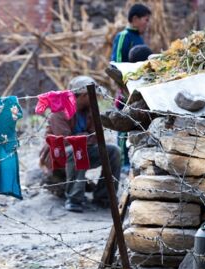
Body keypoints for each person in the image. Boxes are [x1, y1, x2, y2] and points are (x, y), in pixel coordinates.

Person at [39, 76, 121, 213]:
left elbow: (97, 137)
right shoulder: (59, 112)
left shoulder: (90, 110)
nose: (97, 98)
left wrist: (81, 138)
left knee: (114, 151)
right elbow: (63, 141)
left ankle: (104, 197)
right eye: (93, 95)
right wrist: (84, 137)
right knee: (77, 149)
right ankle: (74, 199)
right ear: (84, 95)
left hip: (83, 150)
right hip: (59, 157)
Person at [111, 4, 151, 173]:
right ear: (135, 19)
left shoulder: (139, 39)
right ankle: (122, 161)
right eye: (145, 20)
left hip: (138, 89)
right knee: (123, 125)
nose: (147, 24)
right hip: (126, 91)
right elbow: (117, 65)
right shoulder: (123, 37)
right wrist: (123, 89)